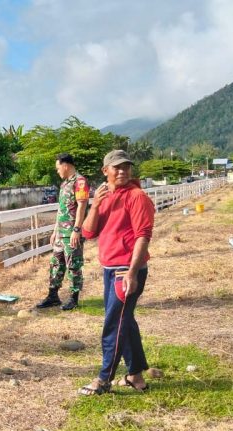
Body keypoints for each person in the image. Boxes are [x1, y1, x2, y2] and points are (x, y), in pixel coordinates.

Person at [78, 150, 154, 396]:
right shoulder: (105, 197)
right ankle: (135, 376)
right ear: (105, 171)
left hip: (126, 270)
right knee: (125, 321)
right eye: (116, 167)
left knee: (114, 324)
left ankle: (104, 379)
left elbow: (143, 235)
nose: (122, 171)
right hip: (110, 269)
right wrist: (95, 204)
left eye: (126, 167)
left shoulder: (137, 196)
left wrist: (132, 272)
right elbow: (88, 233)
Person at [36, 153, 90, 311]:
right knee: (56, 264)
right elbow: (61, 209)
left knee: (73, 264)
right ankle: (53, 296)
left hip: (72, 233)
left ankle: (74, 298)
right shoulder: (64, 184)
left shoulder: (80, 182)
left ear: (65, 165)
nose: (57, 171)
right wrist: (54, 231)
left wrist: (77, 230)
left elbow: (82, 206)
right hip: (61, 233)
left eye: (58, 168)